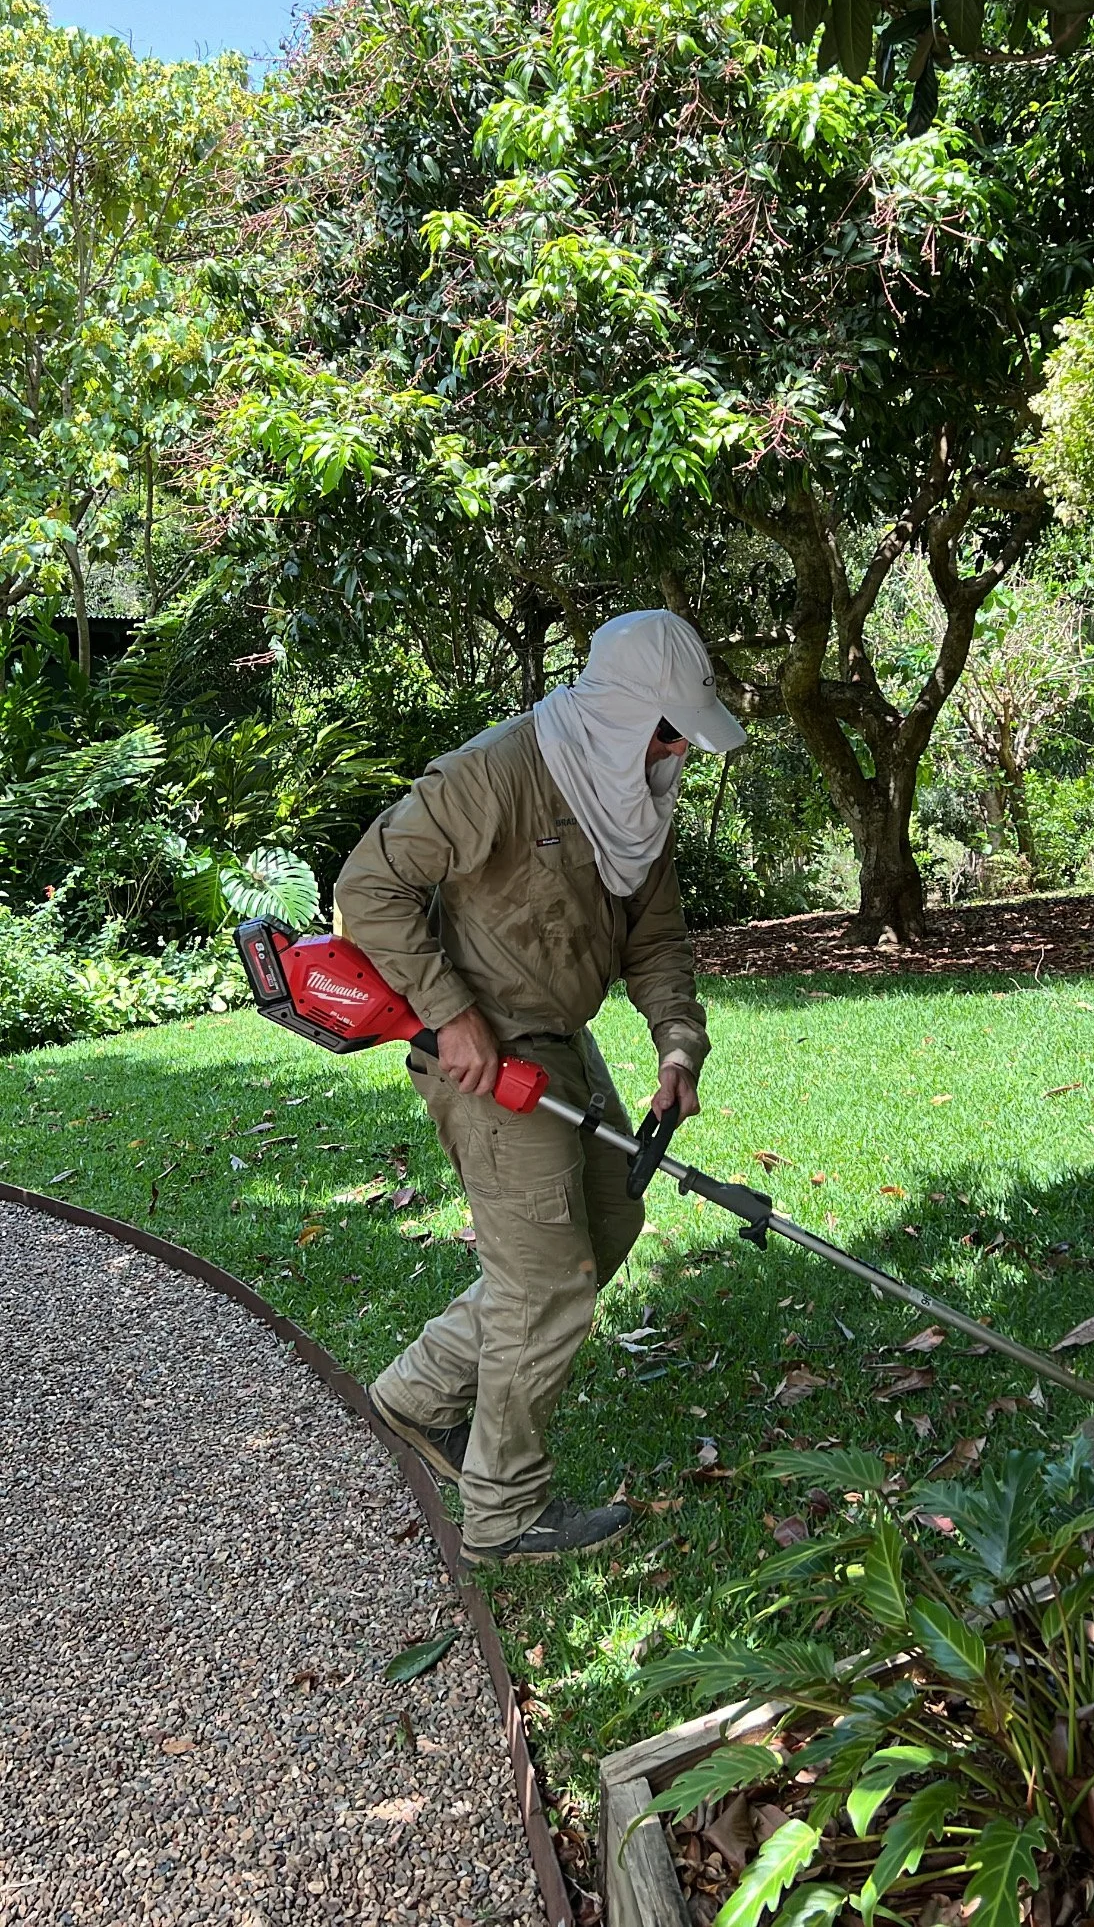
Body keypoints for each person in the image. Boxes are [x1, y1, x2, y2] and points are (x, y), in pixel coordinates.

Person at [332, 610, 746, 1567]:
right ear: (619, 711)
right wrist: (448, 1012)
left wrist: (678, 1047)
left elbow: (656, 940)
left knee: (609, 1222)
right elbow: (369, 885)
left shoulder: (636, 799)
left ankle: (416, 1395)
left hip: (562, 1043)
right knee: (546, 1284)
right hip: (482, 1054)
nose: (678, 750)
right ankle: (504, 1513)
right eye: (668, 730)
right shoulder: (498, 772)